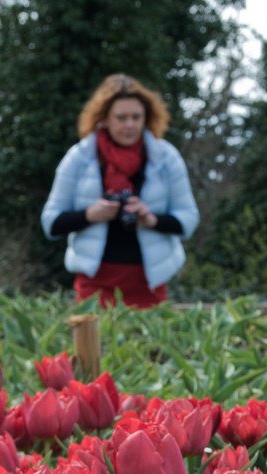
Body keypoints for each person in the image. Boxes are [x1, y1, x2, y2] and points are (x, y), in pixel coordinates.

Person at [41, 74, 199, 309]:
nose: (130, 125)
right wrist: (90, 215)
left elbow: (189, 219)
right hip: (95, 285)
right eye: (121, 117)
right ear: (104, 118)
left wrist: (151, 219)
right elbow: (51, 222)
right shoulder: (79, 158)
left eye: (136, 117)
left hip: (149, 285)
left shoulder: (166, 158)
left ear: (147, 118)